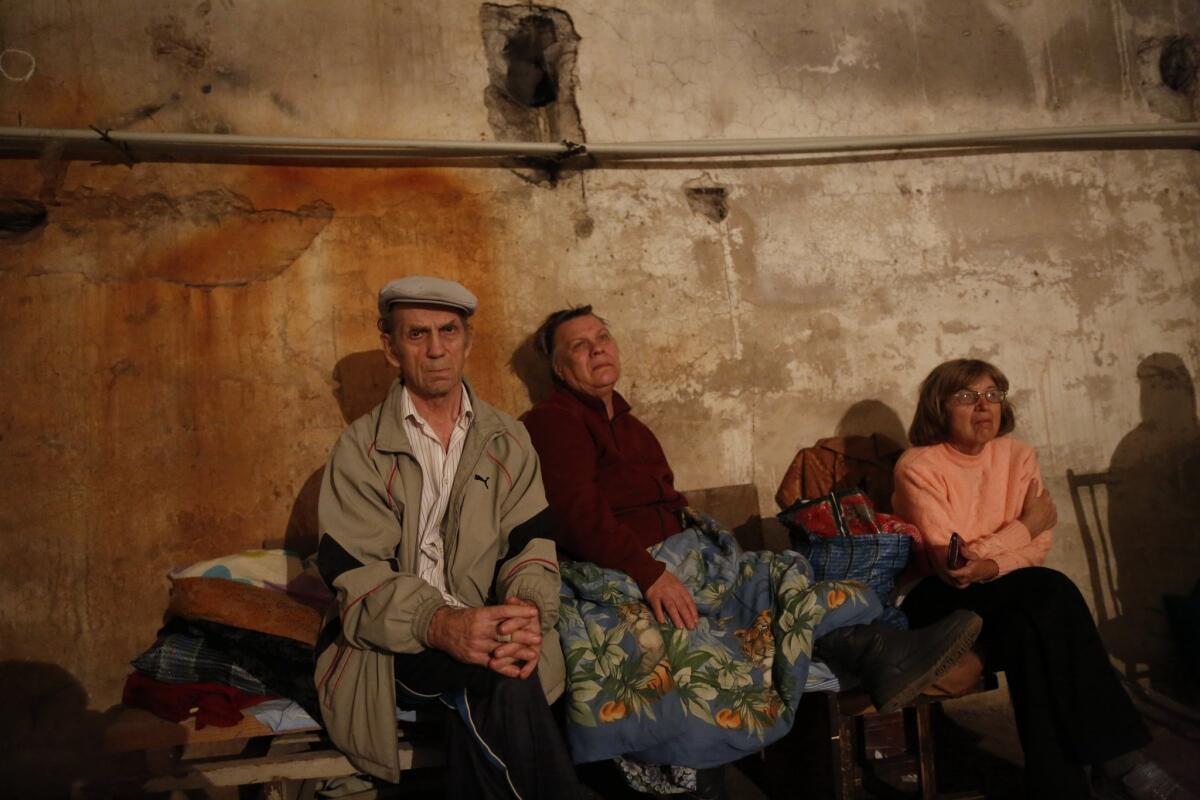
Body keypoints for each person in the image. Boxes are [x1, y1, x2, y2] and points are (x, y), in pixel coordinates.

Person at [521, 305, 982, 798]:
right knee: (699, 646)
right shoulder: (553, 422)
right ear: (558, 367)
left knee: (780, 575)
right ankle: (875, 656)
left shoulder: (632, 425)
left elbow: (668, 500)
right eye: (579, 345)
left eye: (603, 337)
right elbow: (577, 514)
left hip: (681, 551)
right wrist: (651, 573)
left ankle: (881, 651)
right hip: (632, 562)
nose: (597, 349)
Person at [314, 276, 582, 799]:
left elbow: (531, 545)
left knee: (503, 664)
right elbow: (358, 579)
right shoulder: (360, 450)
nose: (436, 350)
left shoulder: (508, 439)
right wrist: (438, 623)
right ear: (390, 348)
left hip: (489, 625)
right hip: (398, 640)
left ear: (468, 340)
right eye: (417, 335)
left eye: (448, 331)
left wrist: (526, 609)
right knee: (501, 677)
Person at [893, 358, 1195, 800]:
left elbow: (1037, 547)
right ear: (939, 406)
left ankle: (1058, 786)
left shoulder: (1018, 456)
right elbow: (953, 565)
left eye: (993, 395)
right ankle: (1123, 760)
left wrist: (996, 559)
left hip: (1010, 591)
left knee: (1029, 629)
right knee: (1051, 589)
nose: (984, 406)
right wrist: (1023, 527)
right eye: (967, 396)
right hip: (937, 599)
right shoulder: (918, 466)